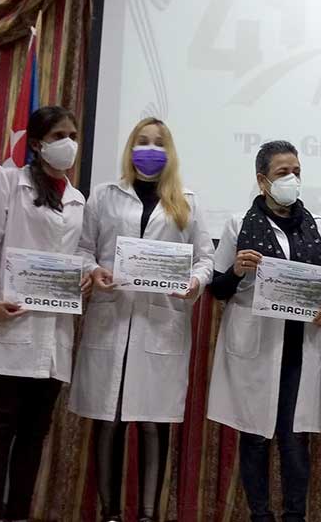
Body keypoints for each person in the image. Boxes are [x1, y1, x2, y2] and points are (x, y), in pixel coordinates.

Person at [70, 118, 214, 521]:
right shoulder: (104, 195)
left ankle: (149, 515)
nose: (150, 149)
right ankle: (110, 514)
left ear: (170, 153)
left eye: (158, 143)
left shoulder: (187, 201)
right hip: (111, 319)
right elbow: (84, 249)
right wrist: (93, 271)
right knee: (109, 420)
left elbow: (205, 259)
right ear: (131, 147)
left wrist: (194, 283)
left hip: (161, 323)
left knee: (153, 423)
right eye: (142, 141)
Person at [0, 106, 89, 521]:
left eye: (72, 133)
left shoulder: (77, 197)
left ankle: (18, 514)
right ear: (36, 143)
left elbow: (77, 252)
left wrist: (84, 272)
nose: (68, 142)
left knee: (34, 434)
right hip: (10, 320)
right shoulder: (11, 181)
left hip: (53, 332)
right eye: (58, 134)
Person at [207, 140, 321, 522]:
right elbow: (217, 289)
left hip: (302, 345)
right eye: (283, 173)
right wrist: (237, 271)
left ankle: (295, 515)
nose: (292, 179)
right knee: (255, 436)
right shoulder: (237, 224)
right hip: (257, 345)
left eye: (296, 171)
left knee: (294, 439)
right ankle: (260, 515)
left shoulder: (319, 225)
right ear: (263, 180)